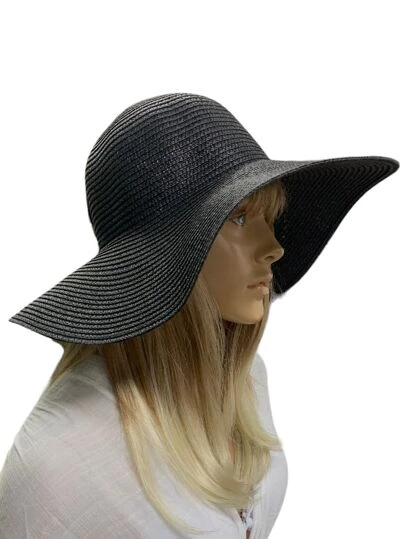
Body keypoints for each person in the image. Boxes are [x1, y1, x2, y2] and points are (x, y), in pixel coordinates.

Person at [1, 93, 399, 538]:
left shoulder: (245, 380)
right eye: (240, 218)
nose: (274, 248)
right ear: (163, 257)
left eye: (270, 218)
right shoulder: (59, 463)